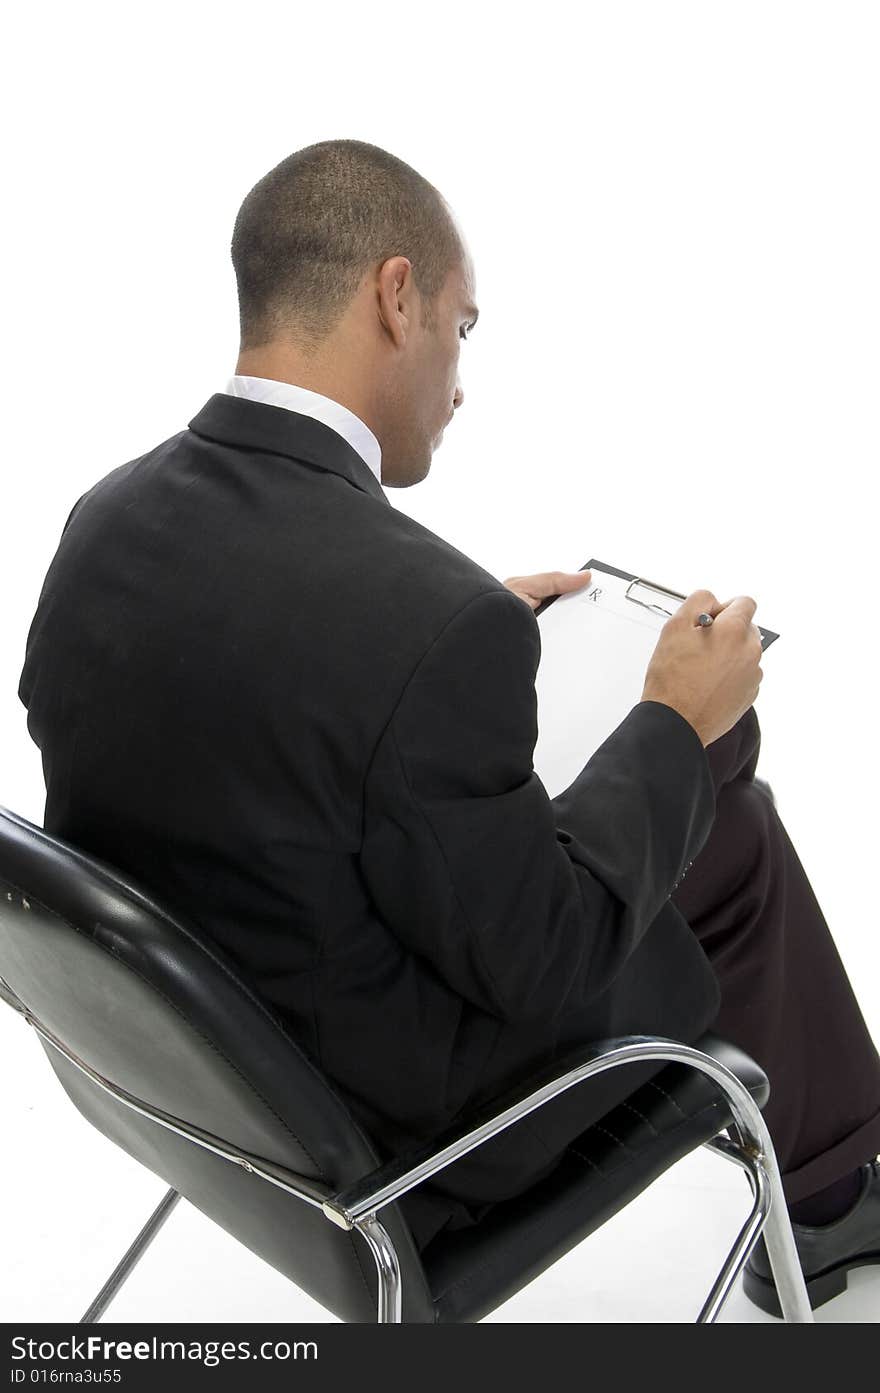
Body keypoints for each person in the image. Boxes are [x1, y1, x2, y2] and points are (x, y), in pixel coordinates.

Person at [17, 139, 880, 1317]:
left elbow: (231, 707)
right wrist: (670, 719)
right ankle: (832, 1201)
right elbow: (553, 955)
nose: (461, 379)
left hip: (185, 1088)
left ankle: (828, 1177)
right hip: (399, 1155)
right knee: (721, 795)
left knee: (703, 782)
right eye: (462, 328)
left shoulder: (102, 521)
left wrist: (457, 638)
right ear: (395, 294)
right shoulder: (419, 622)